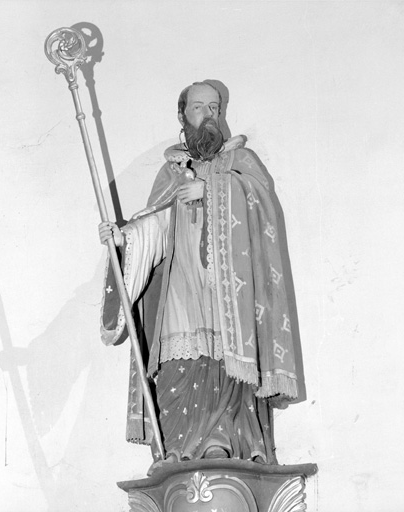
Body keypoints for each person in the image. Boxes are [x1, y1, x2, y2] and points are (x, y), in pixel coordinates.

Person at [99, 81, 304, 470]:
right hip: (181, 288)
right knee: (181, 359)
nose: (209, 115)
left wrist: (210, 192)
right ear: (182, 116)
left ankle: (226, 443)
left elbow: (263, 213)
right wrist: (123, 239)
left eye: (215, 107)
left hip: (230, 293)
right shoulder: (169, 173)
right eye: (199, 107)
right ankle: (178, 447)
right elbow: (155, 227)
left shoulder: (241, 162)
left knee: (226, 360)